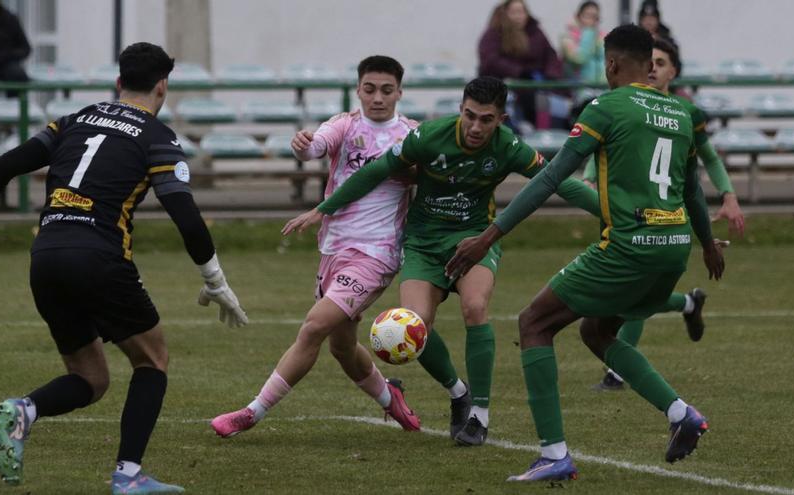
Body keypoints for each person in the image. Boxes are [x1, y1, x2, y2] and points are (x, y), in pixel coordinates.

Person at [0, 42, 248, 494]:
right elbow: (185, 216)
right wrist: (215, 281)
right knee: (153, 359)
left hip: (45, 258)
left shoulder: (74, 120)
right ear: (162, 87)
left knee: (91, 378)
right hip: (100, 257)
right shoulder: (157, 137)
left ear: (119, 82)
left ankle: (25, 410)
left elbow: (5, 164)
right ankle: (128, 476)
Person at [446, 25, 724, 481]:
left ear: (611, 64)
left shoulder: (605, 107)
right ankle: (681, 414)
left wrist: (488, 236)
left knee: (534, 323)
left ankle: (554, 455)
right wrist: (707, 243)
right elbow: (693, 188)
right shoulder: (682, 112)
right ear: (649, 64)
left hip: (629, 245)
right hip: (675, 246)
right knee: (597, 331)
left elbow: (552, 176)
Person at [282, 76, 600, 447]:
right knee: (414, 326)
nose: (476, 126)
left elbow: (558, 180)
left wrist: (612, 214)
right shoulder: (429, 137)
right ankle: (458, 393)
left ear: (501, 119)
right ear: (460, 110)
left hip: (475, 238)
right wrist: (324, 208)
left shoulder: (509, 146)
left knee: (475, 307)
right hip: (423, 243)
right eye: (470, 116)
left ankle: (479, 415)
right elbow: (374, 171)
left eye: (486, 119)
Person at [210, 56, 422, 438]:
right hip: (334, 249)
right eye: (370, 89)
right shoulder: (345, 124)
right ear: (358, 90)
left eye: (386, 90)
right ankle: (390, 398)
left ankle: (252, 412)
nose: (377, 98)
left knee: (313, 327)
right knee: (342, 348)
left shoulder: (412, 135)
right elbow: (316, 147)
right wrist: (303, 145)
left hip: (377, 254)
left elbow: (434, 174)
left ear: (399, 93)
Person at [584, 38, 745, 391]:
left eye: (661, 63)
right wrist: (589, 178)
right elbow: (603, 147)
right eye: (650, 61)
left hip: (662, 217)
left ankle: (618, 372)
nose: (653, 68)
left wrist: (728, 196)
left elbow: (707, 160)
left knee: (630, 291)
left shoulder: (685, 113)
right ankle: (688, 303)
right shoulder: (624, 106)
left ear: (674, 71)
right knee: (633, 294)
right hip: (622, 212)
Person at [478, 0, 564, 131]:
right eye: (514, 12)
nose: (518, 16)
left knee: (549, 107)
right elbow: (491, 60)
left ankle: (545, 134)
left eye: (521, 12)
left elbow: (551, 55)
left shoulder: (537, 32)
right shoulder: (494, 33)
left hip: (536, 86)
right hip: (506, 88)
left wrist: (550, 74)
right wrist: (519, 72)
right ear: (505, 13)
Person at [560, 1, 605, 103]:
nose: (592, 21)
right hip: (579, 93)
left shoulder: (601, 38)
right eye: (588, 16)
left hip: (602, 92)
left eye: (595, 17)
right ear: (578, 17)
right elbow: (579, 59)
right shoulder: (568, 38)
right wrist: (588, 33)